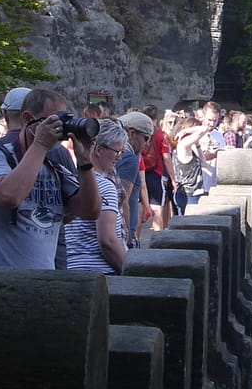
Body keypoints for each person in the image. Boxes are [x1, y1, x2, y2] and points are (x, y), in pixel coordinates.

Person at [0, 85, 100, 269]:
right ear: (28, 119)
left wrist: (85, 162)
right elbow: (9, 196)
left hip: (41, 284)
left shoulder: (54, 165)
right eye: (53, 122)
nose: (59, 129)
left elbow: (89, 211)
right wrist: (40, 144)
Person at [63, 119, 129, 275]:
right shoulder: (105, 187)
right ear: (98, 150)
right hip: (98, 272)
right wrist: (131, 272)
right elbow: (108, 241)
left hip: (69, 267)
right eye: (117, 152)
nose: (119, 158)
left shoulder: (67, 179)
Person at [116, 111, 154, 246]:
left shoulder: (120, 154)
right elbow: (123, 200)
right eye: (146, 138)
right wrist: (129, 238)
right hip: (122, 233)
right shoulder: (129, 159)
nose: (148, 143)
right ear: (132, 134)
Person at [141, 107, 175, 231]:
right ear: (156, 119)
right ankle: (157, 240)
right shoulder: (160, 135)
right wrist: (173, 179)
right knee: (157, 210)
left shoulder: (140, 133)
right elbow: (167, 158)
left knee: (139, 210)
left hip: (142, 172)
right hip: (156, 173)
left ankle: (136, 240)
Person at [173, 110, 206, 211]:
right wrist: (184, 131)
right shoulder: (183, 145)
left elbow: (204, 163)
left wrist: (197, 144)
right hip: (189, 195)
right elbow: (204, 128)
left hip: (193, 193)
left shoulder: (189, 147)